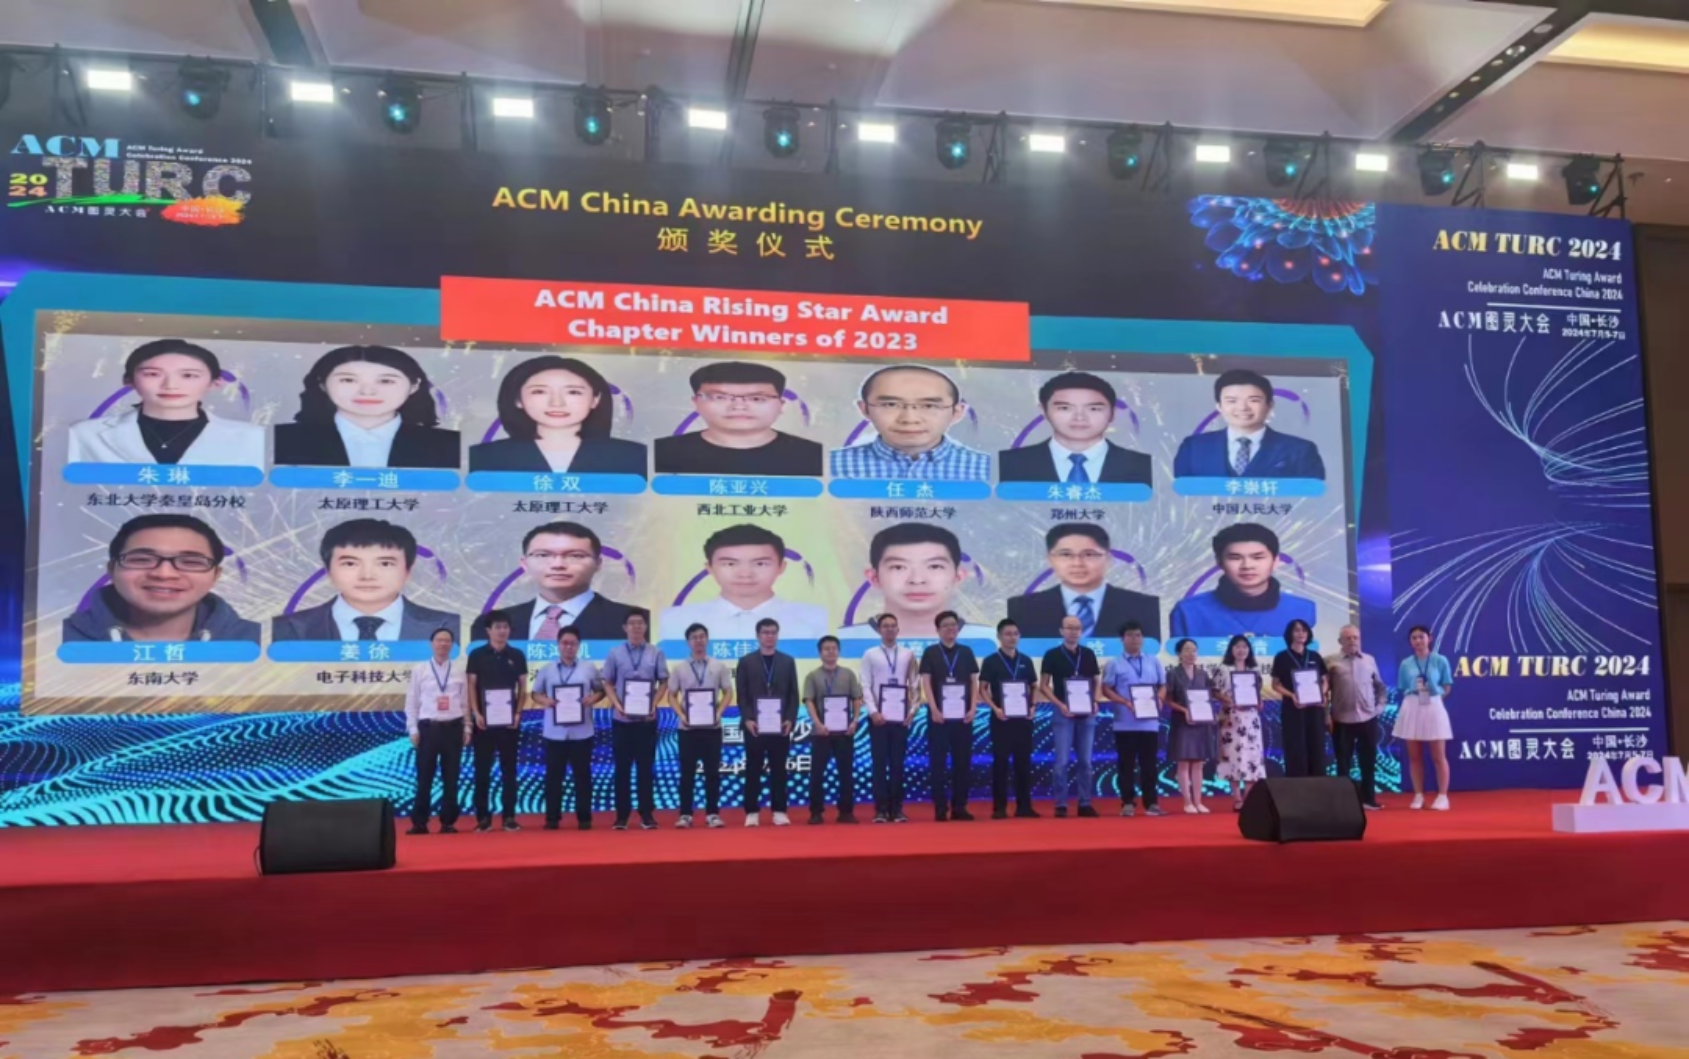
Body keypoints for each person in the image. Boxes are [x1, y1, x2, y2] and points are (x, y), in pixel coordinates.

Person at [62, 514, 260, 644]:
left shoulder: (258, 639)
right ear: (112, 570)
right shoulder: (56, 640)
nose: (164, 574)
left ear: (216, 575)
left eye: (190, 562)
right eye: (142, 559)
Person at [68, 339, 264, 467]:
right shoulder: (84, 434)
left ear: (215, 383)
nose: (170, 385)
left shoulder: (252, 437)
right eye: (153, 374)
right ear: (128, 380)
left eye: (188, 375)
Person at [272, 345, 460, 469]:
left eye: (386, 381)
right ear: (322, 384)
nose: (367, 391)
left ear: (414, 386)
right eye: (348, 380)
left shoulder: (449, 445)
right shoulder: (281, 440)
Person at [271, 519, 459, 642]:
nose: (367, 576)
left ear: (408, 571)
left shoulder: (449, 626)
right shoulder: (287, 629)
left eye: (385, 564)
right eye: (350, 563)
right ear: (328, 571)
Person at [468, 355, 647, 476]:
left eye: (573, 392)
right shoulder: (485, 457)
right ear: (518, 400)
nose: (557, 403)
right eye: (539, 391)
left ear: (595, 400)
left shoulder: (632, 456)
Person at [658, 524, 826, 643]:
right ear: (710, 568)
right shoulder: (674, 621)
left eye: (760, 564)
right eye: (730, 564)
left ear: (781, 567)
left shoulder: (815, 620)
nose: (745, 574)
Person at [653, 361, 823, 476]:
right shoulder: (662, 452)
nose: (739, 406)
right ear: (696, 403)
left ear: (781, 405)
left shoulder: (813, 455)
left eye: (756, 398)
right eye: (720, 397)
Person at [472, 521, 633, 642]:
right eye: (543, 555)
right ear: (524, 564)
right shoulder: (487, 624)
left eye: (575, 556)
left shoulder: (633, 621)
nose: (558, 565)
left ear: (598, 563)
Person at [829, 365, 989, 480]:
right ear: (864, 409)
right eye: (890, 404)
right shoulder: (830, 465)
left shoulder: (986, 468)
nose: (909, 419)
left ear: (957, 412)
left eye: (929, 406)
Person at [1007, 523, 1162, 641]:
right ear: (1050, 560)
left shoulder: (1144, 606)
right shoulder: (1021, 608)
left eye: (1089, 554)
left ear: (1108, 559)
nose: (1077, 563)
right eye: (1065, 554)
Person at [997, 372, 1152, 486]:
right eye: (1065, 408)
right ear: (1043, 411)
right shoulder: (1009, 463)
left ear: (1112, 413)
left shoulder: (1142, 465)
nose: (1079, 417)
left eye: (1094, 409)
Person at [1172, 369, 1325, 480]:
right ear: (1219, 406)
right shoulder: (1193, 447)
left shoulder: (1300, 450)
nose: (1242, 408)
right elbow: (1179, 498)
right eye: (1232, 401)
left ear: (1270, 405)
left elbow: (1314, 502)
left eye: (1253, 400)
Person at [1168, 523, 1316, 639]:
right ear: (1219, 562)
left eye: (1258, 557)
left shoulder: (1303, 610)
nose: (1247, 566)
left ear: (1276, 561)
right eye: (1235, 558)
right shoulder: (1188, 611)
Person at [529, 624, 605, 831]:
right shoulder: (547, 669)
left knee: (583, 776)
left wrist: (592, 699)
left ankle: (584, 818)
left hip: (582, 732)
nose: (568, 647)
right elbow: (535, 693)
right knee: (554, 777)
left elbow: (601, 691)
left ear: (579, 646)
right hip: (554, 732)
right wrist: (545, 701)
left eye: (573, 643)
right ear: (558, 645)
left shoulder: (589, 668)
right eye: (564, 643)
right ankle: (552, 818)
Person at [837, 523, 969, 640]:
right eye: (898, 567)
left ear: (958, 577)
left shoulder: (980, 638)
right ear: (874, 578)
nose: (917, 580)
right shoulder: (843, 641)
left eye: (934, 566)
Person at [600, 608, 668, 831]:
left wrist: (654, 703)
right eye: (632, 623)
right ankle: (622, 816)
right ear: (625, 628)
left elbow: (664, 682)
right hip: (622, 721)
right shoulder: (615, 653)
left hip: (646, 721)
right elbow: (607, 682)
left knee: (645, 769)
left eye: (640, 623)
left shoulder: (656, 653)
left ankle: (647, 814)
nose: (637, 627)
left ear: (646, 627)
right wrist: (617, 705)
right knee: (622, 769)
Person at [404, 627, 471, 835]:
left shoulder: (459, 671)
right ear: (431, 644)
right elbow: (412, 701)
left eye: (447, 640)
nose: (443, 644)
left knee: (451, 777)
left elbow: (465, 702)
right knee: (424, 777)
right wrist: (412, 728)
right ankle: (419, 822)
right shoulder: (420, 670)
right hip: (428, 729)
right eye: (439, 640)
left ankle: (448, 822)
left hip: (453, 728)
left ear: (452, 645)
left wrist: (467, 727)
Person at [667, 622, 734, 829]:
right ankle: (685, 814)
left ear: (707, 639)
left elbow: (728, 691)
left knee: (712, 773)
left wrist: (719, 712)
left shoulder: (718, 666)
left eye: (702, 636)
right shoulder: (679, 668)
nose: (699, 641)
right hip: (687, 729)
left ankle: (712, 814)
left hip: (712, 729)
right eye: (694, 637)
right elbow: (671, 695)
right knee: (687, 773)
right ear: (688, 642)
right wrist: (681, 715)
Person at [467, 610, 528, 832]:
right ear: (488, 630)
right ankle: (483, 818)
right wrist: (476, 713)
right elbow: (471, 685)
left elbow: (523, 687)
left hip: (509, 723)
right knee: (482, 770)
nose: (502, 631)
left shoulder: (517, 655)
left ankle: (509, 816)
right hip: (484, 723)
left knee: (509, 770)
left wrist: (518, 713)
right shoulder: (477, 655)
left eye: (505, 627)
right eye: (498, 627)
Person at [736, 618, 801, 826]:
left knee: (779, 769)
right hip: (754, 726)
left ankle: (779, 810)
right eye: (765, 632)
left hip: (780, 726)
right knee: (753, 768)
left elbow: (793, 694)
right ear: (758, 636)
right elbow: (742, 694)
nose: (769, 636)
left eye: (773, 632)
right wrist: (747, 718)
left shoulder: (787, 661)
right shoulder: (746, 661)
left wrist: (790, 719)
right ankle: (752, 811)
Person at [1100, 620, 1166, 818]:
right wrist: (1124, 702)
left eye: (1138, 635)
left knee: (1149, 765)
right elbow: (1106, 689)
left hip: (1149, 723)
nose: (1134, 639)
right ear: (1122, 639)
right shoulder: (1114, 663)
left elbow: (1163, 685)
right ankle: (1127, 803)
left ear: (1143, 638)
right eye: (1130, 635)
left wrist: (1160, 698)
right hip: (1124, 723)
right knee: (1126, 765)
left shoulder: (1154, 661)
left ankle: (1151, 803)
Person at [978, 618, 1042, 819]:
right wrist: (995, 708)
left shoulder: (1026, 660)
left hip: (1023, 720)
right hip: (1001, 719)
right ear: (999, 636)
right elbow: (982, 689)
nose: (1012, 637)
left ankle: (1024, 806)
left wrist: (1033, 706)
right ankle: (1000, 808)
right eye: (1007, 634)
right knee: (1001, 763)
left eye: (1015, 634)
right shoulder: (991, 660)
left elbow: (1034, 686)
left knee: (1023, 763)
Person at [920, 611, 980, 822]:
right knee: (938, 763)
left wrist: (973, 708)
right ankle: (940, 807)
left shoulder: (966, 652)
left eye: (953, 625)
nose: (950, 628)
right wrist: (934, 709)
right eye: (945, 625)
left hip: (963, 717)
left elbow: (973, 681)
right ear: (938, 630)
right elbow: (926, 682)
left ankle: (959, 806)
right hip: (939, 718)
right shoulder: (930, 652)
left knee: (962, 763)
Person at [1040, 615, 1102, 819]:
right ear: (1061, 631)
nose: (1073, 631)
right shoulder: (1052, 655)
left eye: (1077, 628)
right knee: (1062, 761)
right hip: (1063, 712)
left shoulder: (1088, 654)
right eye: (1069, 628)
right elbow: (1043, 686)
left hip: (1087, 713)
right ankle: (1061, 804)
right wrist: (1060, 704)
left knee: (1085, 761)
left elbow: (1096, 681)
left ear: (1081, 631)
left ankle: (1085, 803)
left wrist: (1095, 701)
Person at [858, 612, 918, 824]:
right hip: (878, 719)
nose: (890, 629)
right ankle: (881, 809)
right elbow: (865, 684)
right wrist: (873, 711)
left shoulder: (908, 655)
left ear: (898, 629)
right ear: (879, 630)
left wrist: (911, 712)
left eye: (893, 625)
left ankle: (897, 808)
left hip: (901, 719)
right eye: (885, 626)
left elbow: (915, 685)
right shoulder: (870, 654)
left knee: (898, 764)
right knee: (879, 763)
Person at [1327, 624, 1388, 811]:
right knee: (1343, 762)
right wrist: (1325, 714)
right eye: (1348, 638)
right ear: (1340, 641)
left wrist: (1379, 708)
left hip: (1368, 718)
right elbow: (1323, 691)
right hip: (1341, 719)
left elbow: (1380, 687)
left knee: (1368, 761)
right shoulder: (1330, 662)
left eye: (1355, 637)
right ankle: (1344, 803)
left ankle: (1369, 799)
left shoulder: (1370, 660)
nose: (1352, 641)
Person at [804, 635, 864, 825]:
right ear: (820, 653)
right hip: (821, 732)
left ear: (838, 651)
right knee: (817, 774)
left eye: (834, 648)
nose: (830, 652)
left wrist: (855, 720)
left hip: (844, 732)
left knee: (845, 773)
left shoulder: (848, 674)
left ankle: (846, 811)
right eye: (826, 649)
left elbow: (857, 698)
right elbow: (809, 701)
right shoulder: (812, 676)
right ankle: (816, 812)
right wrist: (817, 724)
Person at [1395, 624, 1455, 811]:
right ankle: (1418, 795)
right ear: (1410, 642)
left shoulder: (1440, 660)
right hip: (1412, 705)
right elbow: (1403, 687)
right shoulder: (1405, 664)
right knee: (1414, 756)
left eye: (1421, 637)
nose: (1418, 641)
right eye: (1414, 638)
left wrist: (1433, 698)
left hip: (1434, 705)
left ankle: (1442, 796)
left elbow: (1447, 686)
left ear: (1430, 638)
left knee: (1438, 755)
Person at [1210, 634, 1267, 811]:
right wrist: (1229, 700)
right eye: (1237, 647)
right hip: (1231, 717)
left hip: (1250, 718)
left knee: (1251, 756)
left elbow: (1257, 692)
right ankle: (1237, 798)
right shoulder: (1223, 669)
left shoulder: (1254, 670)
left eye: (1244, 647)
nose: (1241, 650)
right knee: (1232, 756)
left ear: (1249, 650)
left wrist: (1259, 701)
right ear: (1231, 650)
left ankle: (1248, 797)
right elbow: (1214, 691)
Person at [1270, 618, 1330, 779]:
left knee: (1317, 745)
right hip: (1293, 708)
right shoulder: (1282, 657)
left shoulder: (1315, 656)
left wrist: (1322, 693)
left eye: (1304, 630)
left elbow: (1325, 680)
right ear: (1290, 634)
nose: (1301, 633)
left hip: (1315, 709)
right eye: (1296, 630)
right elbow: (1275, 685)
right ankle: (1297, 785)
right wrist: (1292, 695)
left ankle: (1318, 783)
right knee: (1295, 746)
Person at [1166, 638, 1217, 814]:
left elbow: (1209, 697)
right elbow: (1168, 700)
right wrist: (1184, 710)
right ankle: (1187, 802)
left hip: (1201, 723)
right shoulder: (1173, 674)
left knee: (1198, 763)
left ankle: (1198, 801)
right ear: (1179, 654)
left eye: (1194, 650)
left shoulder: (1203, 674)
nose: (1191, 654)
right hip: (1182, 722)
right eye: (1187, 650)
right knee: (1183, 762)